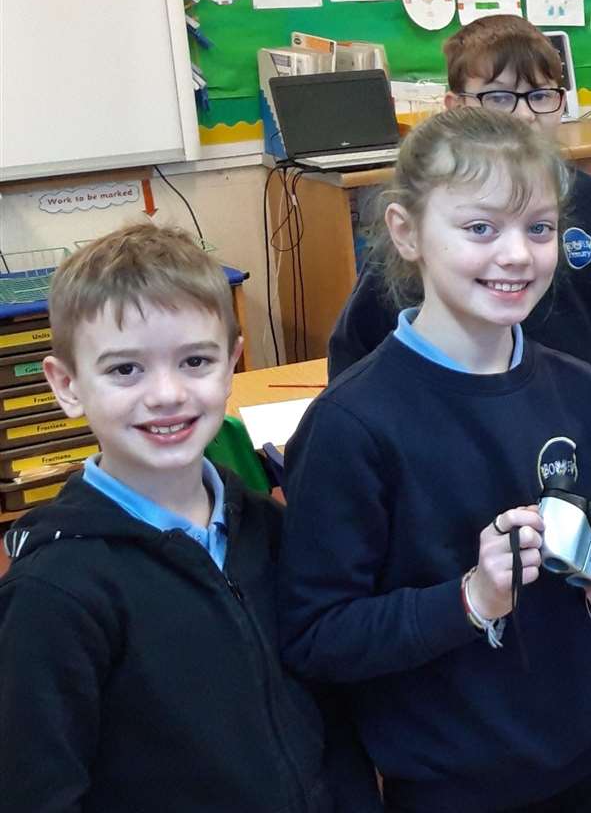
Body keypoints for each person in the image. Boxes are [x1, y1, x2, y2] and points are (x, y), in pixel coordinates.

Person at [279, 108, 591, 812]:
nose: (516, 255)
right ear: (406, 231)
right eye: (481, 228)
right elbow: (315, 637)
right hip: (451, 786)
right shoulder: (352, 424)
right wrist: (469, 600)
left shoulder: (581, 391)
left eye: (539, 228)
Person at [0, 224, 358, 810]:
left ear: (231, 364)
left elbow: (332, 713)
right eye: (125, 370)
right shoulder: (53, 593)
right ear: (66, 385)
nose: (166, 394)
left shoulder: (268, 531)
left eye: (194, 361)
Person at [327, 14, 591, 389]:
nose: (525, 115)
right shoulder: (434, 216)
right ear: (456, 106)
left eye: (540, 96)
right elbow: (357, 351)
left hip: (578, 421)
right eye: (500, 97)